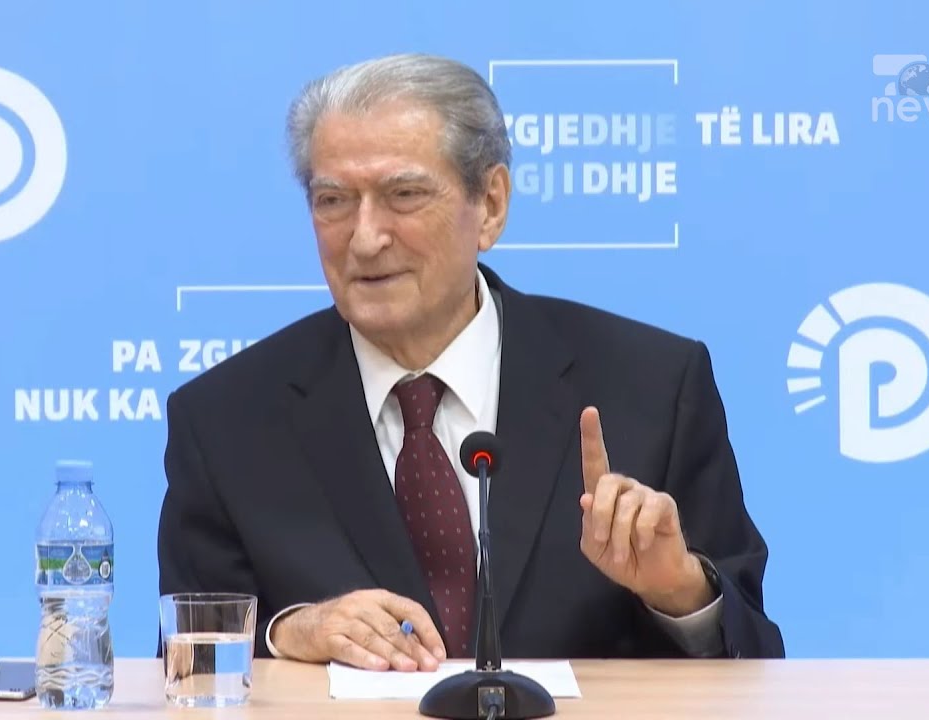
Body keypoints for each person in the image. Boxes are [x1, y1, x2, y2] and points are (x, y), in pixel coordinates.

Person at [157, 53, 784, 672]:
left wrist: (679, 593)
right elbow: (186, 668)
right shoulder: (224, 421)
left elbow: (758, 659)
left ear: (490, 204)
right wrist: (284, 633)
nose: (365, 237)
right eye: (333, 201)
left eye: (403, 194)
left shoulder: (653, 386)